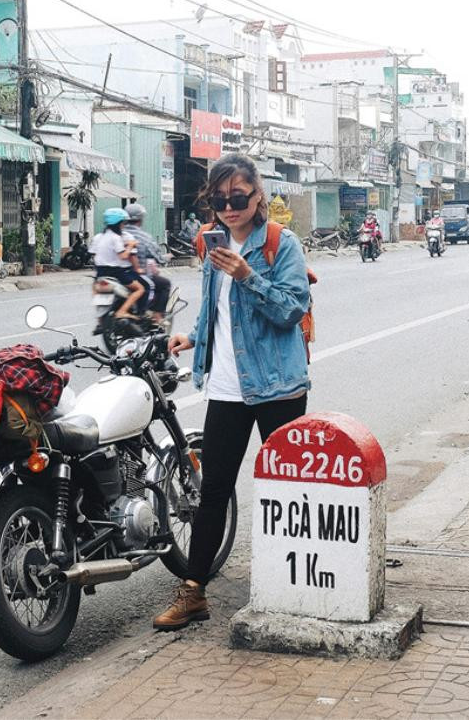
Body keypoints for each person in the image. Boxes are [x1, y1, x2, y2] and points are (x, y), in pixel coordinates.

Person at [153, 154, 310, 631]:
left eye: (237, 198)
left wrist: (247, 275)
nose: (228, 207)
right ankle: (194, 591)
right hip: (225, 386)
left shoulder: (282, 244)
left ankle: (301, 582)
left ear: (257, 195)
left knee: (290, 487)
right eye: (219, 200)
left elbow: (291, 309)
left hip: (277, 386)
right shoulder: (210, 243)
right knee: (213, 491)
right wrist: (194, 338)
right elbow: (217, 310)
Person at [93, 207, 145, 320]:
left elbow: (94, 254)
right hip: (116, 272)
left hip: (100, 272)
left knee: (95, 291)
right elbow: (124, 256)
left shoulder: (99, 237)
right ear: (118, 223)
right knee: (140, 289)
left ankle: (100, 321)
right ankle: (122, 311)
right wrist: (131, 245)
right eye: (123, 223)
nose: (123, 225)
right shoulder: (116, 238)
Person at [124, 203, 171, 322]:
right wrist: (167, 257)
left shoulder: (117, 234)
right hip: (137, 276)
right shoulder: (144, 237)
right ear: (140, 219)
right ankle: (157, 315)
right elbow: (158, 257)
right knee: (165, 284)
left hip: (117, 275)